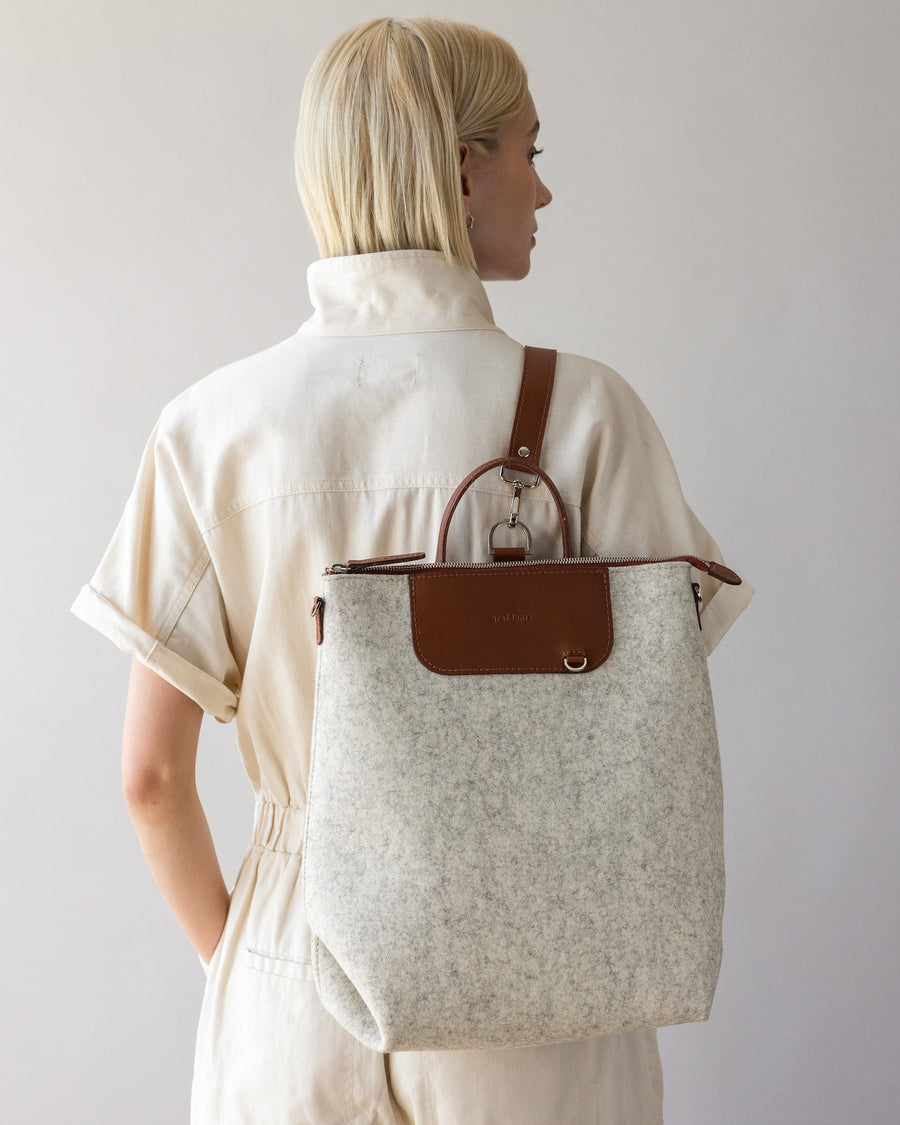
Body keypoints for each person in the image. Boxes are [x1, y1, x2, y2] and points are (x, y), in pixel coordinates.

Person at [71, 15, 753, 1124]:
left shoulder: (209, 428)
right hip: (537, 990)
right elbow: (654, 724)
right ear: (462, 168)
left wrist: (253, 971)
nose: (543, 190)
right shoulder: (586, 415)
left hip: (292, 982)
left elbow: (150, 781)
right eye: (533, 152)